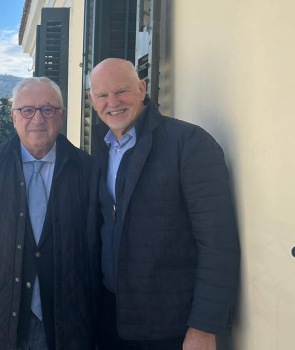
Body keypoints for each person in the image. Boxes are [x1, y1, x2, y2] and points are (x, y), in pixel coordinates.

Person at [88, 58, 240, 350]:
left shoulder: (189, 143)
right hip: (111, 321)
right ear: (92, 100)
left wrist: (204, 327)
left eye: (121, 91)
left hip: (171, 327)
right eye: (102, 95)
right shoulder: (101, 150)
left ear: (142, 89)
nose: (113, 102)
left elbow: (218, 242)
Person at [0, 77, 96, 350]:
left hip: (66, 326)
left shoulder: (87, 170)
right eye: (27, 110)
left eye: (47, 110)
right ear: (14, 116)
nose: (37, 119)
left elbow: (96, 250)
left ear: (61, 115)